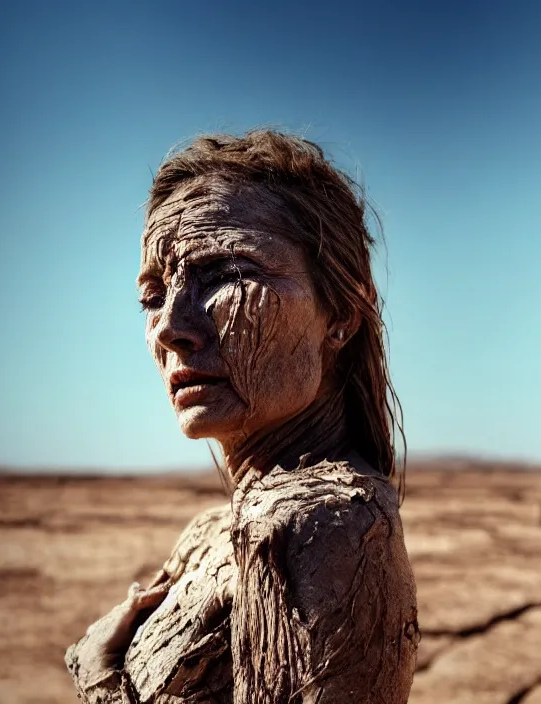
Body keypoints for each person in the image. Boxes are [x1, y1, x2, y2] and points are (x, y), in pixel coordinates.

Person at [65, 129, 418, 703]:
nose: (170, 325)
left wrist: (101, 678)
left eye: (227, 273)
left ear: (342, 316)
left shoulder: (319, 525)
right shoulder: (212, 528)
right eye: (152, 294)